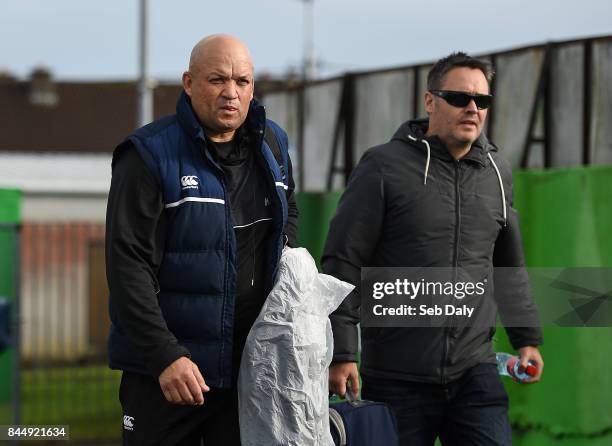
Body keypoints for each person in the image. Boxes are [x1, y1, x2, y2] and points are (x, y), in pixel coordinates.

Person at [323, 52, 544, 445]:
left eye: (483, 101)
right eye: (459, 98)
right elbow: (343, 261)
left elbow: (508, 264)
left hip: (475, 373)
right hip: (396, 378)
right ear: (430, 101)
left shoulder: (497, 173)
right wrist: (342, 352)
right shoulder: (383, 166)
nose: (473, 108)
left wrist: (526, 339)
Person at [105, 34, 298, 446]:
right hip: (171, 376)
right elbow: (127, 267)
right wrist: (164, 356)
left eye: (242, 82)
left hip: (250, 370)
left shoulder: (273, 144)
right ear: (188, 82)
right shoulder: (148, 155)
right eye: (217, 80)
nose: (231, 93)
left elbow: (287, 216)